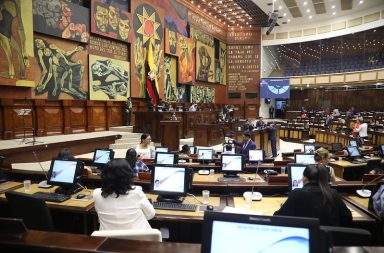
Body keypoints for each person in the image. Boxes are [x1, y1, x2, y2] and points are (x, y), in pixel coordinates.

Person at [274, 164, 352, 226]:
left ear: (304, 178)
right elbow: (348, 219)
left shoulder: (297, 194)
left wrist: (284, 207)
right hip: (329, 242)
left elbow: (277, 218)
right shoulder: (333, 194)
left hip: (305, 242)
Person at [93, 159, 155, 230]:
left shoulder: (97, 194)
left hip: (107, 239)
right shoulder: (137, 192)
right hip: (137, 239)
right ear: (129, 176)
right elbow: (150, 215)